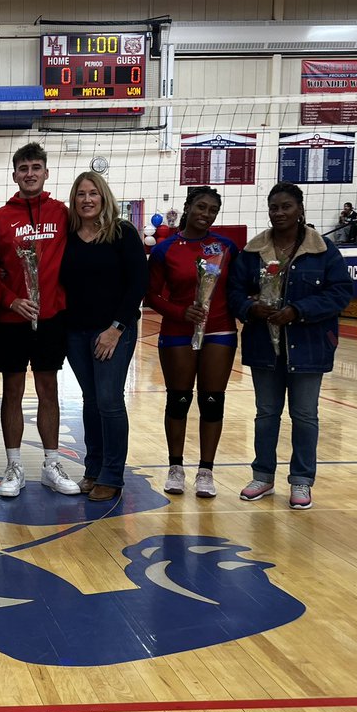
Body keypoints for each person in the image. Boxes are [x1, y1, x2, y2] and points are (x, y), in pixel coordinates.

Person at [227, 182, 353, 511]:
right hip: (263, 346)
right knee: (266, 414)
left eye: (286, 206)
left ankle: (301, 480)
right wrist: (249, 308)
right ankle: (263, 475)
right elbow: (234, 292)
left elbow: (341, 293)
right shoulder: (252, 252)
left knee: (305, 415)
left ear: (300, 209)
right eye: (274, 207)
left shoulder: (324, 250)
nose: (279, 213)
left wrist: (298, 311)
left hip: (309, 345)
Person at [0, 142, 79, 498]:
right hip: (12, 319)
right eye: (23, 168)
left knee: (48, 389)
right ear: (14, 175)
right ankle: (13, 465)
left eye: (36, 167)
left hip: (52, 317)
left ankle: (52, 463)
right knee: (12, 391)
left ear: (46, 172)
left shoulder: (62, 213)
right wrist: (12, 300)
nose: (30, 174)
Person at [60, 172, 148, 503]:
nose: (86, 199)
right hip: (75, 332)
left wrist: (115, 329)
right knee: (91, 400)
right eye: (80, 193)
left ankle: (112, 475)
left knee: (110, 400)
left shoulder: (122, 233)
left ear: (104, 197)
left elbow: (138, 284)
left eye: (93, 193)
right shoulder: (67, 236)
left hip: (114, 331)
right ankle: (93, 470)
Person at [146, 186, 239, 499]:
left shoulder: (225, 247)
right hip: (178, 332)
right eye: (201, 207)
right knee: (179, 400)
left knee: (212, 401)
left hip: (220, 330)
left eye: (212, 210)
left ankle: (206, 471)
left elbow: (237, 289)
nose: (206, 214)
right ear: (187, 207)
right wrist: (180, 311)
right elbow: (152, 296)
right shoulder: (165, 249)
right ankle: (175, 467)